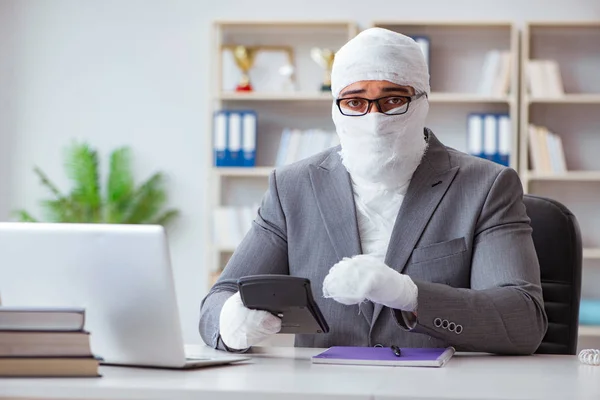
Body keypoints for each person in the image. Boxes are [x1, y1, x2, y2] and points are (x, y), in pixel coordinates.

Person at [200, 27, 548, 354]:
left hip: (435, 389)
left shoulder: (485, 186)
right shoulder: (292, 188)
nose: (374, 119)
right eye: (354, 102)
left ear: (423, 100)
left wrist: (410, 296)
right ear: (336, 107)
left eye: (393, 100)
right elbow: (217, 301)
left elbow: (523, 320)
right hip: (325, 390)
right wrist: (232, 322)